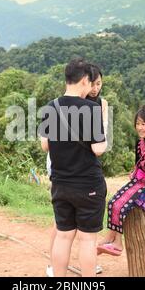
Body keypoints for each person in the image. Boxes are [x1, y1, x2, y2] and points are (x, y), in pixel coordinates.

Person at [40, 58, 107, 277]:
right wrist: (103, 130)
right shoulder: (90, 109)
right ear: (85, 81)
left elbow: (44, 145)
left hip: (60, 184)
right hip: (88, 184)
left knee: (63, 235)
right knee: (87, 239)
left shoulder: (51, 107)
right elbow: (98, 149)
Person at [97, 105, 145, 256]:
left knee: (121, 205)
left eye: (144, 124)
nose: (140, 127)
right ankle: (110, 237)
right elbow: (138, 161)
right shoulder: (140, 142)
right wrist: (134, 171)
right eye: (138, 123)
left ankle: (118, 244)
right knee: (113, 202)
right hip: (139, 180)